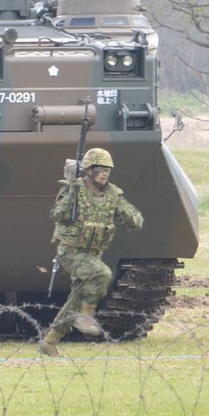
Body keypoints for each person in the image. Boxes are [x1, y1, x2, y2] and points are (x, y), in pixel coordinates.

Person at [38, 147, 143, 357]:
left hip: (92, 253)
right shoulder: (74, 189)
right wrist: (71, 192)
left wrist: (127, 216)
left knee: (75, 298)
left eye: (107, 170)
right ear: (89, 170)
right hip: (71, 251)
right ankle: (86, 315)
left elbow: (135, 222)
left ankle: (50, 340)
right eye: (100, 169)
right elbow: (56, 214)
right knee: (102, 274)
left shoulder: (113, 193)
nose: (105, 174)